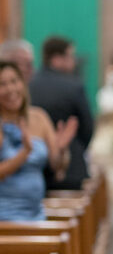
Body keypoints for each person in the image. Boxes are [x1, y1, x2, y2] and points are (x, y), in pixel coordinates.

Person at [0, 60, 77, 220]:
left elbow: (57, 167)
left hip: (36, 213)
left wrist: (62, 150)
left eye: (14, 81)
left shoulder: (39, 117)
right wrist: (24, 153)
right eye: (2, 84)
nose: (11, 89)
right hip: (5, 216)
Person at [29, 35, 94, 190]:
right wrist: (75, 148)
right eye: (70, 56)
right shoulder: (73, 86)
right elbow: (87, 127)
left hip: (36, 167)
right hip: (70, 168)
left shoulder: (29, 85)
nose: (73, 61)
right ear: (57, 59)